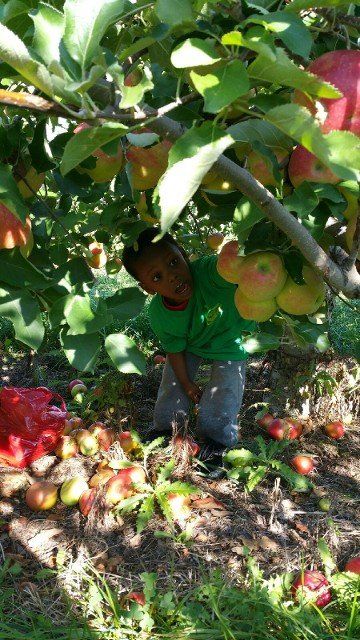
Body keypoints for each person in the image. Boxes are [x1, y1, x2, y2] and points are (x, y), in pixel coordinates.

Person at [122, 227, 255, 457]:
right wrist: (187, 384)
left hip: (229, 337)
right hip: (192, 342)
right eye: (157, 277)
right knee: (172, 381)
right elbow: (175, 351)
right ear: (148, 288)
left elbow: (228, 268)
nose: (172, 276)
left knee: (225, 389)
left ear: (183, 253)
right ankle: (166, 429)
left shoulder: (208, 272)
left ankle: (217, 442)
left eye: (174, 262)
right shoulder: (160, 315)